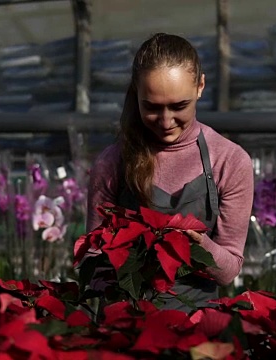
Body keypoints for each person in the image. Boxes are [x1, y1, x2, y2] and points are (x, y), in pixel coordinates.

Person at [86, 32, 254, 312]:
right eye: (151, 107)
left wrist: (199, 244)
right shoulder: (113, 161)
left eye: (179, 106)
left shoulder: (230, 161)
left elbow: (228, 271)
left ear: (200, 86)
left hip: (197, 328)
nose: (165, 121)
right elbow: (91, 257)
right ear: (136, 93)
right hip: (126, 325)